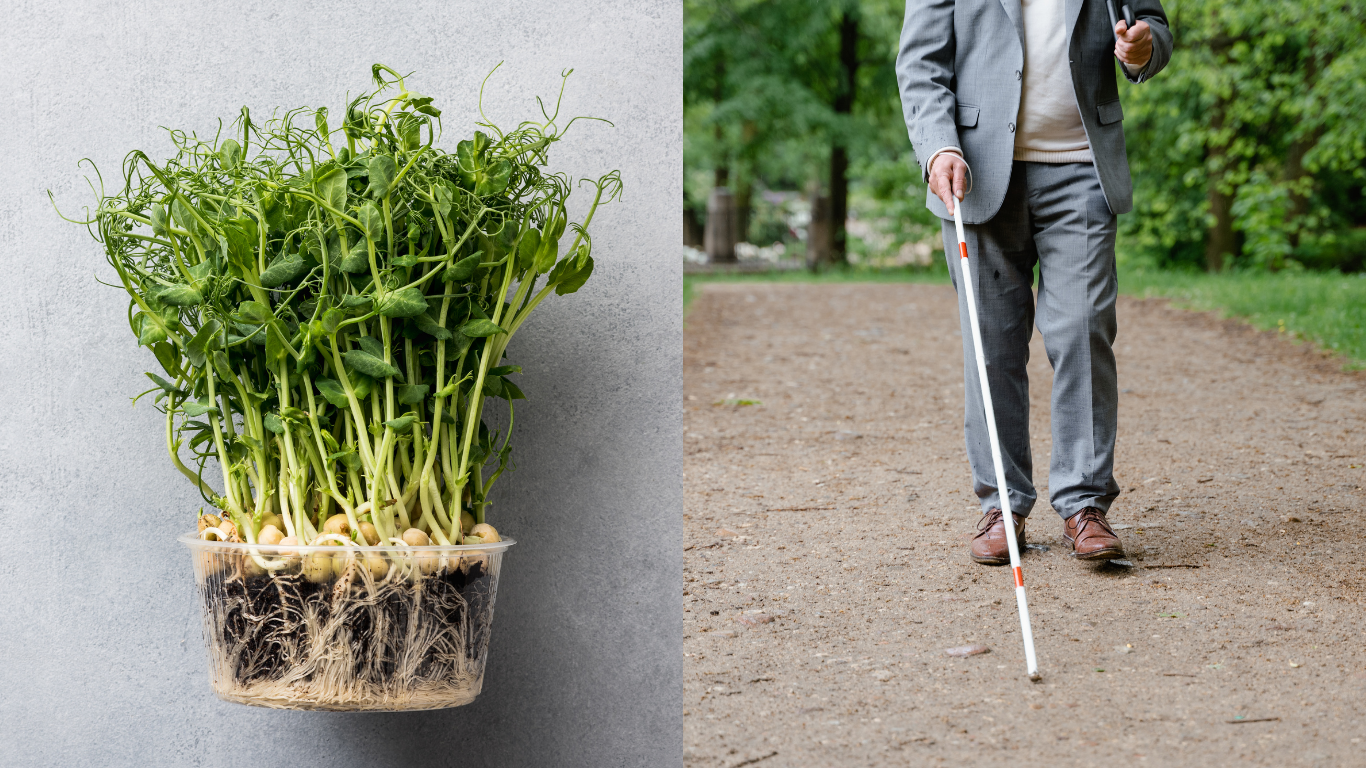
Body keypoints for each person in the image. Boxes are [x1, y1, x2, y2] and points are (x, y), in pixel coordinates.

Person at [895, 0, 1172, 564]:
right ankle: (1002, 505)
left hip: (1082, 168)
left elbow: (1152, 27)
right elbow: (920, 63)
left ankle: (1084, 503)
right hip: (975, 172)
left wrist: (1144, 49)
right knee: (991, 343)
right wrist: (938, 147)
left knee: (1083, 327)